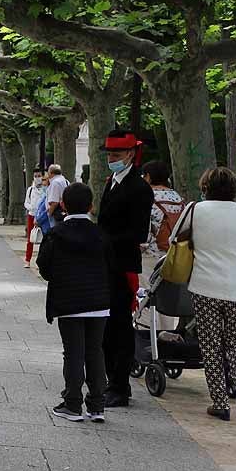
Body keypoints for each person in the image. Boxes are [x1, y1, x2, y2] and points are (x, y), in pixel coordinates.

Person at [169, 167, 236, 424]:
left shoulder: (196, 209)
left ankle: (219, 402)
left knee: (212, 346)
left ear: (205, 187)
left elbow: (175, 238)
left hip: (205, 287)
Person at [36, 183, 112, 423]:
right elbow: (111, 265)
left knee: (73, 353)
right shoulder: (101, 234)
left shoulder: (56, 234)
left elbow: (44, 266)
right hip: (99, 302)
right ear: (91, 206)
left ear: (63, 205)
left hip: (68, 302)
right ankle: (98, 404)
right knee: (95, 351)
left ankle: (72, 403)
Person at [96, 130, 153, 408]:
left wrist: (103, 240)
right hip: (106, 264)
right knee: (107, 325)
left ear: (130, 154)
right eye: (109, 155)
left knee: (120, 326)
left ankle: (120, 385)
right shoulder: (113, 182)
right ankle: (109, 379)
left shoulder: (139, 188)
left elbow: (138, 232)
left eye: (116, 155)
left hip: (123, 265)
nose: (111, 159)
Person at [141, 160, 185, 257]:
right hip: (175, 255)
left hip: (152, 256)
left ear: (148, 177)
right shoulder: (178, 198)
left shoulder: (145, 197)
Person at [24, 169, 47, 269]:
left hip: (42, 216)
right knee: (31, 238)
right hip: (32, 215)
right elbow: (26, 202)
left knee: (43, 239)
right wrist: (32, 208)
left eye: (39, 176)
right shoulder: (30, 189)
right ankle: (27, 260)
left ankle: (41, 260)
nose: (37, 178)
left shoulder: (45, 189)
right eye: (35, 176)